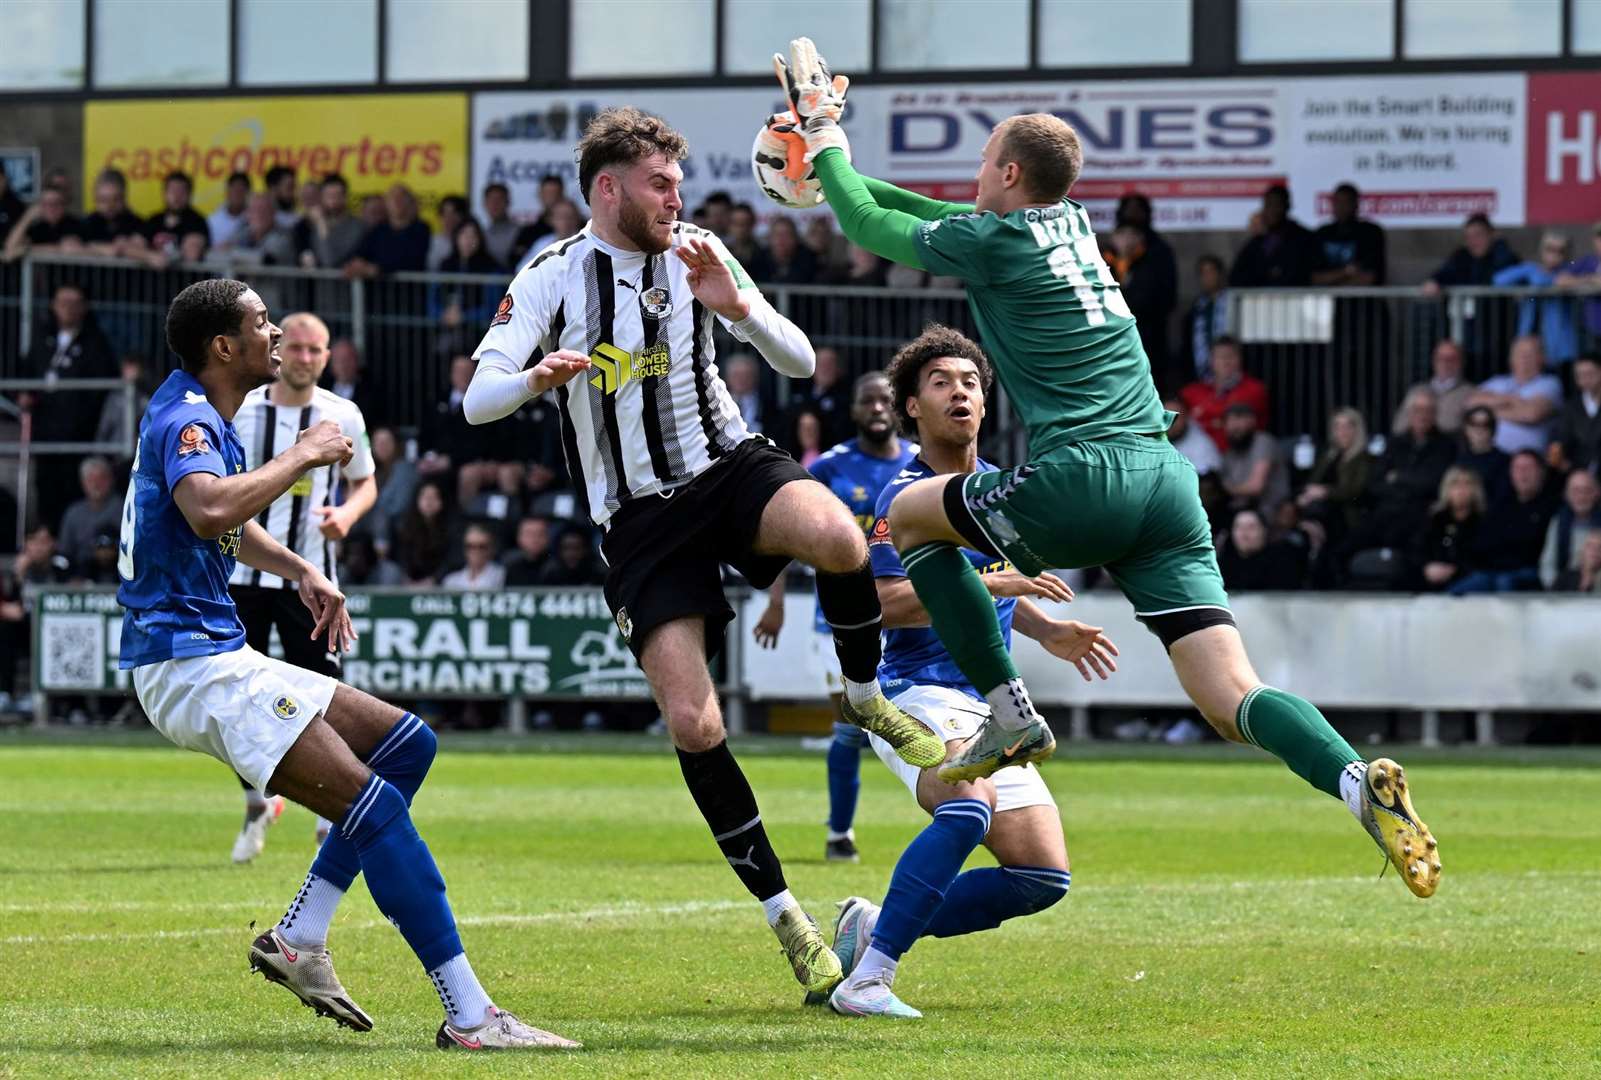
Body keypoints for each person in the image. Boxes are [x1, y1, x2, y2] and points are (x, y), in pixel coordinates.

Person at [790, 39, 1438, 897]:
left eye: (984, 165)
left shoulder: (995, 242)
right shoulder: (1072, 223)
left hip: (1083, 472)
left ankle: (1006, 707)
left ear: (1012, 174)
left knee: (909, 514)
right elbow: (920, 211)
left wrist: (827, 145)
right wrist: (828, 171)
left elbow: (880, 228)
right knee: (1229, 694)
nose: (975, 179)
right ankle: (1356, 783)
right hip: (1166, 484)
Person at [464, 106, 950, 997]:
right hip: (639, 521)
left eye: (677, 183)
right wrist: (533, 379)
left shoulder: (699, 253)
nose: (675, 197)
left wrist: (744, 309)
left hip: (727, 466)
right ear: (607, 188)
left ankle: (863, 694)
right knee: (695, 723)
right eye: (659, 183)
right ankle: (787, 918)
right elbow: (476, 400)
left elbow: (799, 363)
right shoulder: (553, 275)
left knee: (839, 537)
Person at [119, 278, 576, 1049]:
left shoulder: (198, 411)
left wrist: (301, 568)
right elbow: (207, 508)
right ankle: (471, 1017)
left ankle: (300, 938)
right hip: (190, 666)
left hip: (212, 654)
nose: (275, 335)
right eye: (263, 324)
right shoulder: (193, 420)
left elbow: (213, 525)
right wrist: (302, 453)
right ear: (224, 348)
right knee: (376, 810)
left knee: (406, 746)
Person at [821, 326, 1113, 1019]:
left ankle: (869, 929)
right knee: (965, 805)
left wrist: (1046, 630)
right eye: (941, 382)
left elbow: (987, 588)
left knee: (1041, 877)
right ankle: (866, 982)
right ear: (911, 408)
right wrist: (999, 586)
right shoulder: (905, 497)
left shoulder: (994, 491)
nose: (960, 391)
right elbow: (886, 605)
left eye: (971, 382)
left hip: (987, 708)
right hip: (912, 695)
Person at [226, 310, 378, 861]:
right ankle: (256, 802)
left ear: (328, 354)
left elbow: (365, 483)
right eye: (295, 348)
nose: (305, 359)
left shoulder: (342, 415)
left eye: (316, 350)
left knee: (322, 697)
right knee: (237, 702)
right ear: (277, 348)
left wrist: (348, 516)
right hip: (240, 575)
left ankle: (325, 812)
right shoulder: (242, 410)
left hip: (312, 580)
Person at [751, 372, 919, 863]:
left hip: (906, 614)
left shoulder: (918, 466)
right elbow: (783, 530)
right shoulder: (830, 467)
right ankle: (839, 832)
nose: (877, 408)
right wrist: (777, 601)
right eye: (867, 399)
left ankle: (957, 815)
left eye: (884, 399)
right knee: (850, 724)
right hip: (838, 621)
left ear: (900, 407)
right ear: (854, 409)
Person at [23, 282, 118, 531]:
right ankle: (46, 537)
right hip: (45, 432)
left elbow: (102, 385)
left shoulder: (95, 342)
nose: (68, 309)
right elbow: (26, 371)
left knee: (72, 487)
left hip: (79, 433)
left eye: (75, 303)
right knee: (45, 486)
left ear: (84, 308)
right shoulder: (42, 337)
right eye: (63, 303)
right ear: (53, 306)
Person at [1450, 450, 1556, 594]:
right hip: (1492, 571)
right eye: (1517, 468)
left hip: (1528, 571)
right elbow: (1483, 543)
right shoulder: (1500, 504)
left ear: (1541, 472)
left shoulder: (1551, 506)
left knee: (1504, 582)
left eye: (1528, 468)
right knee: (1458, 592)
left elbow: (1531, 548)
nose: (1522, 473)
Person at [1493, 230, 1580, 367]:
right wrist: (1530, 271)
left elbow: (1542, 282)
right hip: (1529, 342)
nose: (1554, 254)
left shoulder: (1570, 271)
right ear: (1542, 250)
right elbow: (1499, 280)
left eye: (1560, 250)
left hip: (1559, 349)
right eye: (1550, 249)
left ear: (1566, 254)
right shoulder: (1531, 270)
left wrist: (1541, 278)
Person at [1467, 335, 1562, 455]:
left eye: (1530, 354)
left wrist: (1490, 410)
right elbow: (1470, 405)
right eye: (1519, 353)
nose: (1524, 358)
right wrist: (1513, 400)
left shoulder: (1549, 383)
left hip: (1526, 460)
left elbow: (1531, 414)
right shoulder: (1497, 381)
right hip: (1489, 456)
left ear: (1542, 358)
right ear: (1511, 358)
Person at [1180, 336, 1269, 452]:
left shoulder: (1254, 389)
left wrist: (1206, 420)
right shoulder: (1191, 392)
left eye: (1231, 356)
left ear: (1240, 359)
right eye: (1220, 357)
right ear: (1211, 360)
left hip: (1240, 455)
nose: (1226, 361)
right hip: (1198, 457)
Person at [1298, 407, 1373, 534]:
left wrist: (1325, 492)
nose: (1342, 432)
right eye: (1338, 427)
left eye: (1347, 426)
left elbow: (1356, 491)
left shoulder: (1364, 458)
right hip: (1317, 508)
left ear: (1357, 430)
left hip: (1345, 513)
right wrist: (1306, 495)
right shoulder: (1329, 456)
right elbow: (1313, 481)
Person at [1228, 184, 1318, 288]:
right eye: (1268, 205)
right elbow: (1236, 277)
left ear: (1287, 206)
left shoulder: (1305, 239)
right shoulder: (1257, 242)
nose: (1272, 211)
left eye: (1277, 205)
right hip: (1259, 300)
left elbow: (1309, 276)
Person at [1415, 467, 1488, 592]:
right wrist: (1427, 567)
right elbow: (1418, 549)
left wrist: (1453, 570)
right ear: (1446, 489)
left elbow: (1484, 558)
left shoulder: (1483, 522)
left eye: (1467, 484)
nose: (1461, 490)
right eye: (1455, 485)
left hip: (1468, 584)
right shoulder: (1434, 520)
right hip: (1432, 582)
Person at [1219, 403, 1289, 518]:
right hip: (1241, 511)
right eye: (1229, 422)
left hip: (1270, 510)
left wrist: (1222, 489)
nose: (1234, 426)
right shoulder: (1230, 453)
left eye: (1239, 419)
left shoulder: (1263, 442)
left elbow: (1256, 487)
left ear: (1252, 421)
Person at [57, 456, 123, 577]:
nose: (96, 484)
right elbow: (64, 553)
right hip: (80, 576)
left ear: (111, 480)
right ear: (83, 483)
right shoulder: (73, 513)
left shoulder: (124, 509)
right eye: (90, 479)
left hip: (118, 573)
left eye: (101, 479)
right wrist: (69, 577)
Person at [1310, 182, 1387, 287]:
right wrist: (1347, 272)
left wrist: (1332, 280)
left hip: (1363, 301)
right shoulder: (1322, 233)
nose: (1342, 207)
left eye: (1347, 202)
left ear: (1356, 204)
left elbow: (1369, 278)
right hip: (1328, 301)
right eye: (1338, 202)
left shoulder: (1371, 232)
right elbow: (1315, 279)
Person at [1392, 339, 1472, 436]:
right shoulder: (1417, 390)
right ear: (1433, 360)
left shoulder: (1470, 393)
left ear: (1461, 362)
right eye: (1440, 358)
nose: (1445, 362)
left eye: (1451, 358)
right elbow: (1398, 426)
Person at [1539, 469, 1600, 590]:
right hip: (1566, 586)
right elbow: (1547, 564)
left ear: (1597, 493)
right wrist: (1557, 588)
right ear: (1567, 494)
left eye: (1587, 490)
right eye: (1576, 491)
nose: (1581, 496)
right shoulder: (1559, 523)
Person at [1217, 508, 1305, 592]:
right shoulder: (1222, 565)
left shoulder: (1282, 561)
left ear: (1264, 530)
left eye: (1251, 527)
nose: (1244, 533)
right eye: (1238, 527)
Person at [1548, 354, 1601, 474]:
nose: (1585, 379)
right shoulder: (1571, 407)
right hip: (1577, 473)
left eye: (1590, 373)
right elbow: (1560, 438)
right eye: (1580, 375)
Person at [143, 171, 209, 261]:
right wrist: (149, 256)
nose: (177, 196)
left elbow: (192, 254)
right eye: (172, 190)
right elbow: (134, 246)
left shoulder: (197, 221)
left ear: (189, 195)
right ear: (164, 193)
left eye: (181, 191)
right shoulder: (154, 220)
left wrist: (165, 258)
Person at [1183, 254, 1228, 382]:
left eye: (1211, 271)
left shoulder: (1231, 302)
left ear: (1220, 274)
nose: (1207, 277)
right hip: (1201, 371)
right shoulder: (1196, 308)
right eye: (1203, 273)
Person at [1456, 404, 1511, 504]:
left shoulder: (1505, 461)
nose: (1479, 428)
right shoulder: (1457, 458)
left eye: (1486, 424)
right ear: (1466, 429)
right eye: (1473, 423)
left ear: (1493, 429)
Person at [442, 524, 506, 590]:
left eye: (482, 547)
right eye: (470, 546)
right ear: (464, 549)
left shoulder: (501, 575)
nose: (476, 551)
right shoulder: (451, 580)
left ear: (491, 548)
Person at [502, 515, 552, 586]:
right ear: (519, 537)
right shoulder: (506, 566)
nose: (535, 539)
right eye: (529, 534)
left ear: (548, 537)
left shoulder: (556, 569)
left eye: (540, 534)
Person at [208, 171, 252, 250]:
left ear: (248, 193)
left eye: (241, 191)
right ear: (227, 192)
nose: (237, 194)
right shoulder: (212, 221)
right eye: (234, 190)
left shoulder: (256, 220)